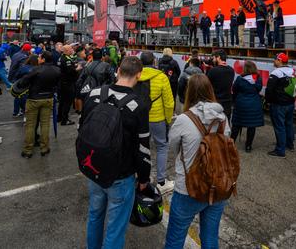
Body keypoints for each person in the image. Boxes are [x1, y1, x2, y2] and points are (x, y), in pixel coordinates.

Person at [83, 56, 151, 249]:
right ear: (139, 75)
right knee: (116, 227)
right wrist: (144, 178)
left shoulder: (95, 93)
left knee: (95, 215)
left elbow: (83, 128)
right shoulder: (138, 105)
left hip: (94, 166)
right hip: (121, 174)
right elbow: (143, 147)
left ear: (118, 71)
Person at [165, 74, 230, 249]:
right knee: (210, 237)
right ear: (210, 90)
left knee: (175, 238)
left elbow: (173, 147)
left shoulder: (183, 119)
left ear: (189, 92)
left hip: (189, 188)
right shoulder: (222, 118)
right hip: (218, 184)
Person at [139, 51, 175, 194]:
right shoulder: (161, 77)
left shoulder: (136, 75)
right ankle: (161, 181)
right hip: (158, 118)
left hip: (140, 118)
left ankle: (143, 178)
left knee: (141, 148)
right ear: (154, 61)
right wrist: (168, 119)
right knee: (161, 147)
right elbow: (169, 103)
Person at [17, 51, 61, 158]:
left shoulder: (36, 70)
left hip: (34, 99)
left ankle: (28, 150)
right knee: (45, 124)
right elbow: (58, 84)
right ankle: (44, 148)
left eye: (40, 57)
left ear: (44, 59)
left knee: (30, 125)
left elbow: (22, 82)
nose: (38, 58)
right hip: (48, 98)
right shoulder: (57, 70)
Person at [265, 53, 295, 158]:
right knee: (289, 124)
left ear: (280, 60)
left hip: (278, 104)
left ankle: (280, 150)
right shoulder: (292, 71)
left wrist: (267, 101)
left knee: (279, 127)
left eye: (275, 59)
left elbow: (269, 90)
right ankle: (289, 144)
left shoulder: (276, 73)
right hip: (290, 103)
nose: (274, 61)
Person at [231, 60, 263, 152]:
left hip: (241, 104)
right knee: (251, 126)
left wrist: (236, 99)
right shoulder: (258, 78)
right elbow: (259, 89)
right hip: (254, 104)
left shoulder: (240, 79)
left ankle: (231, 144)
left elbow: (234, 90)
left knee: (236, 125)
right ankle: (248, 146)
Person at [206, 50, 235, 120]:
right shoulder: (231, 70)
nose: (213, 60)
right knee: (226, 123)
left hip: (216, 103)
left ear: (218, 57)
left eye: (214, 58)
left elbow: (206, 84)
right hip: (227, 103)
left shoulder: (213, 71)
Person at [57, 44, 78, 126]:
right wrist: (77, 68)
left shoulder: (61, 58)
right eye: (70, 49)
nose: (71, 50)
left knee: (62, 101)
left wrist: (74, 66)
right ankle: (64, 120)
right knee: (67, 102)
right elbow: (70, 71)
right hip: (68, 83)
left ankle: (59, 117)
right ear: (66, 51)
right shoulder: (66, 59)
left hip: (62, 82)